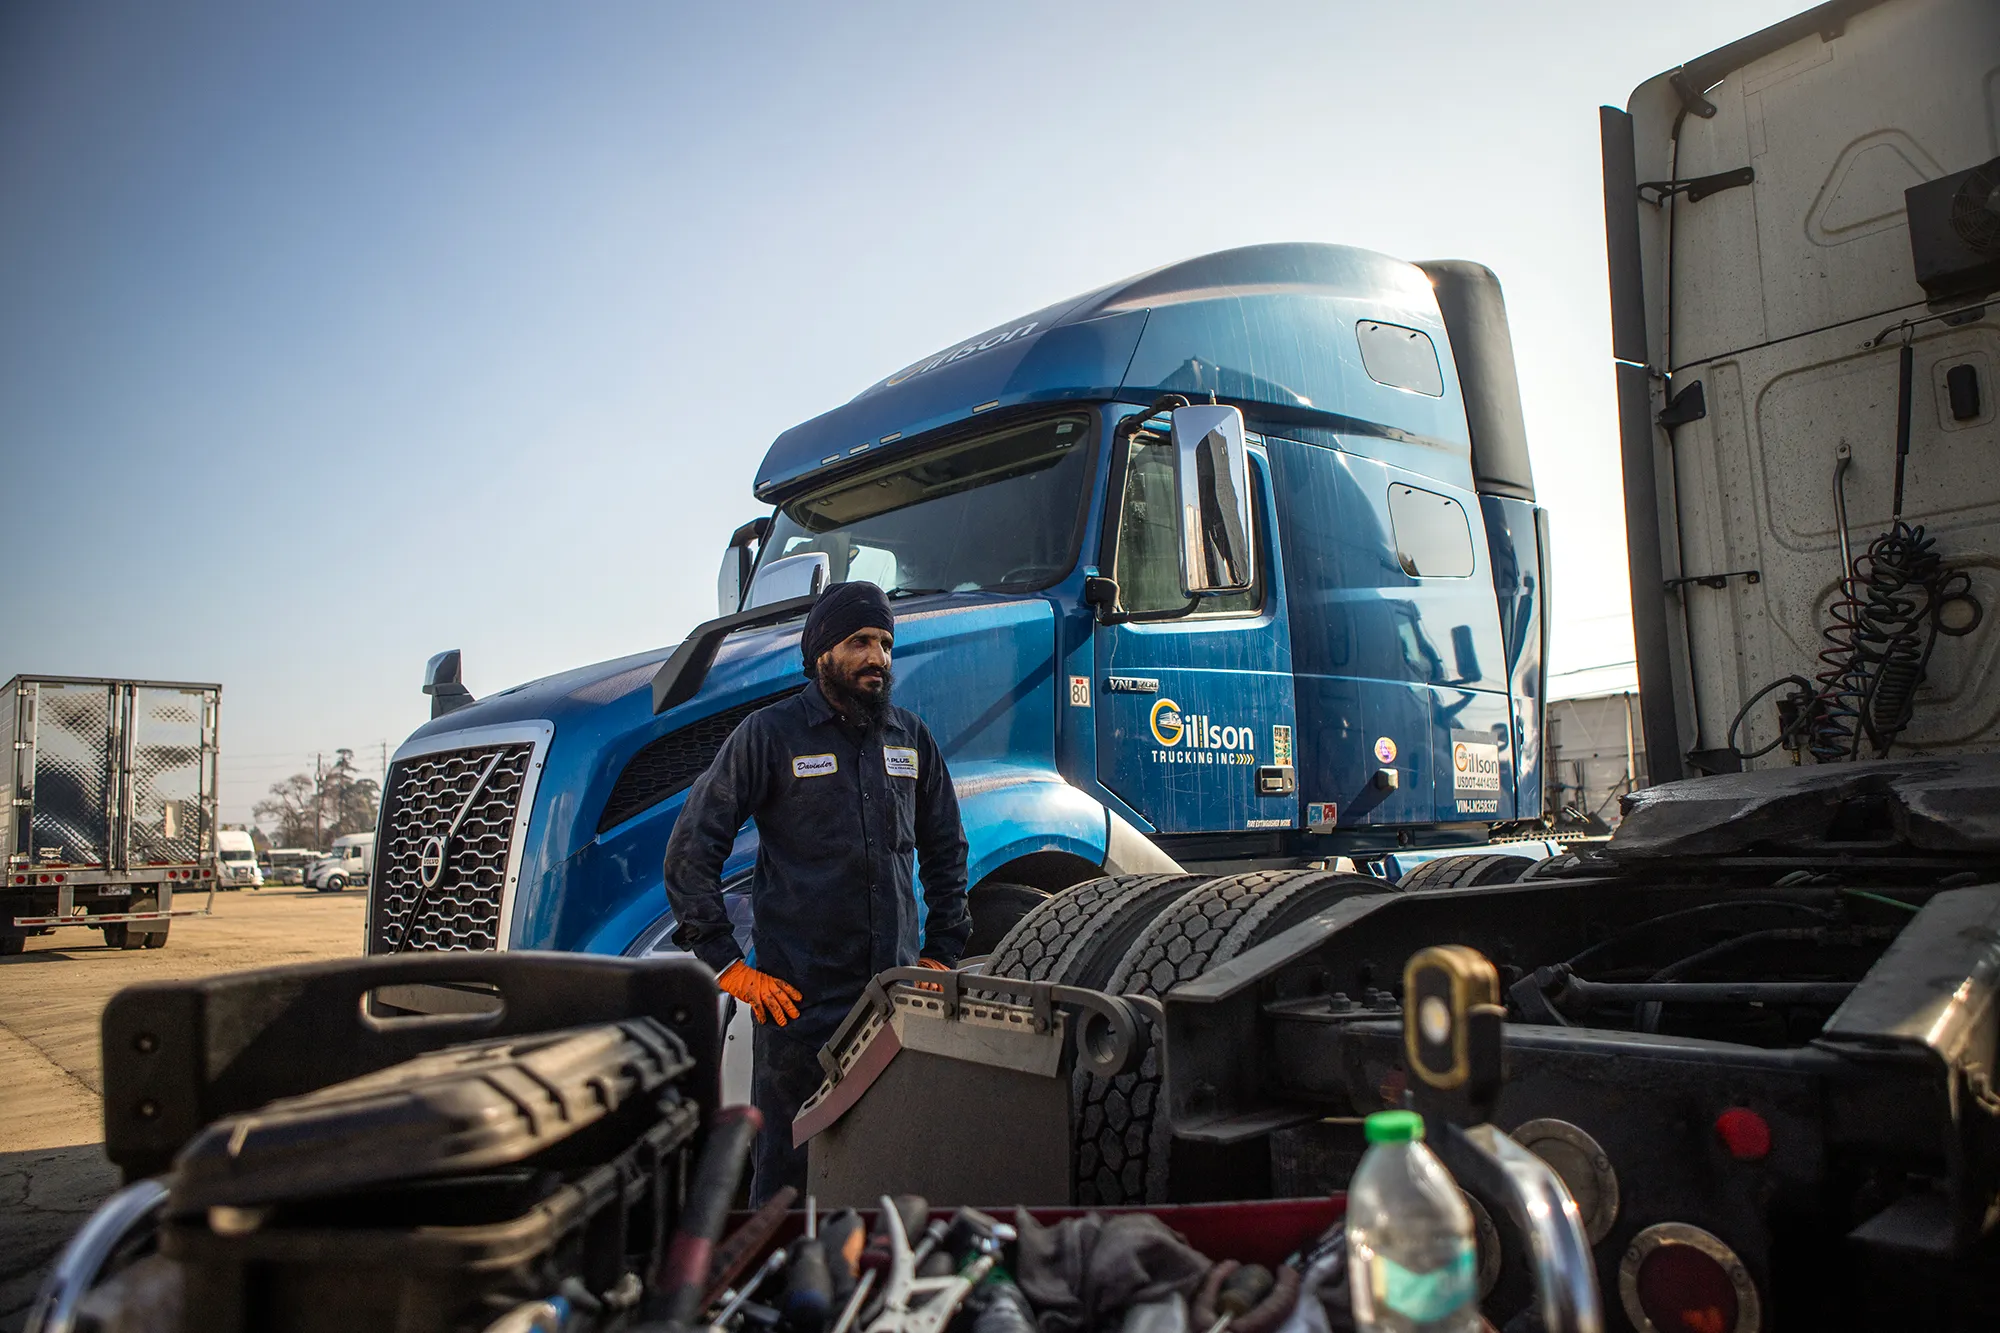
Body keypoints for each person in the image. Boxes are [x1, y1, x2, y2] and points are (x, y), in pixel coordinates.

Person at [663, 580, 971, 1202]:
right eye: (860, 642)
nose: (878, 658)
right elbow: (692, 850)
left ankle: (865, 1280)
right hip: (796, 1007)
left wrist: (942, 953)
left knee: (885, 1163)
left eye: (885, 643)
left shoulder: (909, 740)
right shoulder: (768, 736)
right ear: (822, 652)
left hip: (890, 1003)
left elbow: (947, 853)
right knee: (785, 1175)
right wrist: (727, 965)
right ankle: (771, 1287)